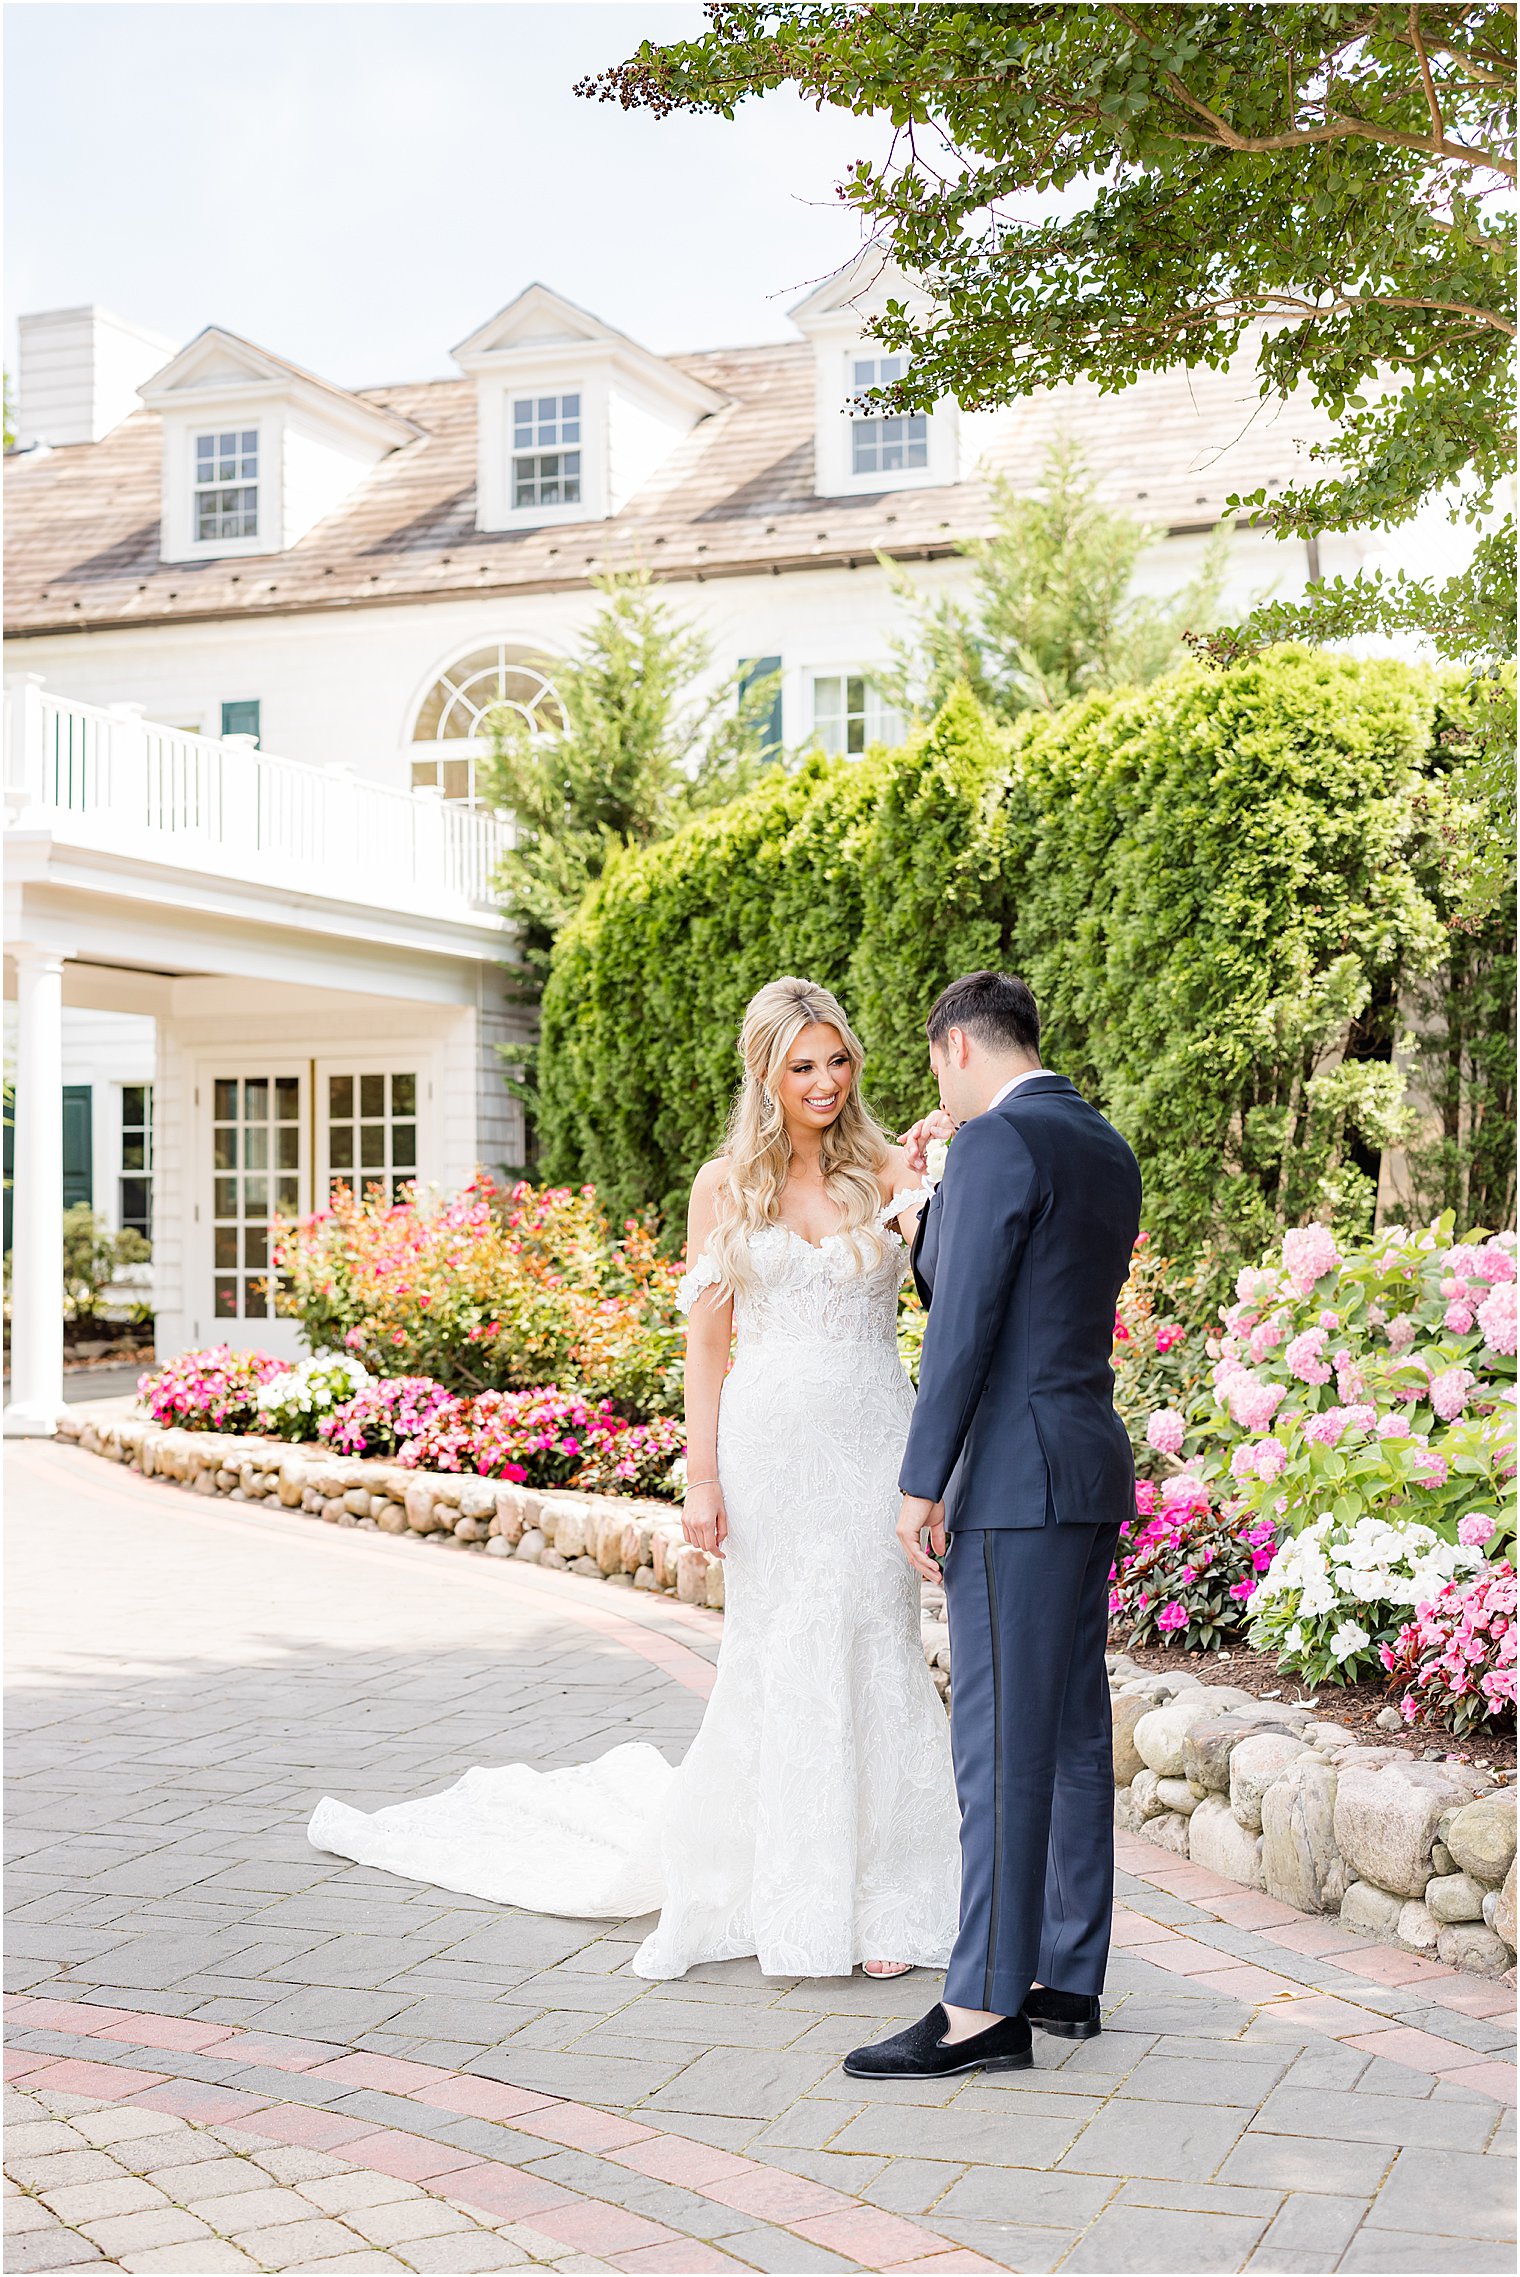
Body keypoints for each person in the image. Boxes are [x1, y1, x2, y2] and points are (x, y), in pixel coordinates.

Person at [309, 975, 961, 1982]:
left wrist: (929, 1179)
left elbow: (947, 1288)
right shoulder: (723, 1188)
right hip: (770, 1452)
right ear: (764, 1074)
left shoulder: (887, 1169)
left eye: (836, 1061)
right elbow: (705, 1347)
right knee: (780, 1654)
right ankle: (790, 1892)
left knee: (876, 1652)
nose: (824, 1081)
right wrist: (698, 1481)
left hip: (877, 1437)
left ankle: (885, 1897)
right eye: (801, 1066)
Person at [845, 971, 1142, 2081]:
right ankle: (1065, 1975)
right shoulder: (1100, 1141)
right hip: (1082, 1463)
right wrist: (933, 1218)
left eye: (936, 1071)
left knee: (997, 1748)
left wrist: (923, 1482)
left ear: (956, 1049)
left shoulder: (989, 1146)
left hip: (1012, 1482)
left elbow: (964, 1322)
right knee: (1065, 1731)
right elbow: (1022, 1297)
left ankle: (979, 2011)